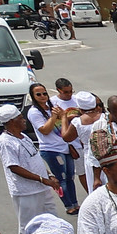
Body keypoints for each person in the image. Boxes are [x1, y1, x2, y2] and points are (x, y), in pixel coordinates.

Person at [0, 103, 65, 231]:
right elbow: (14, 167)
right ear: (11, 121)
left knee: (53, 221)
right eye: (20, 118)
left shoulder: (25, 137)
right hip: (27, 192)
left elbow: (35, 158)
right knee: (29, 226)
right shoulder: (5, 141)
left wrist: (49, 175)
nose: (24, 120)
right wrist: (42, 179)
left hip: (43, 188)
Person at [29, 80, 82, 213]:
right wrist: (54, 116)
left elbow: (64, 122)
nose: (42, 96)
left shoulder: (53, 106)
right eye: (38, 94)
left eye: (44, 93)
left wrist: (65, 116)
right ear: (33, 97)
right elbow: (45, 130)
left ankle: (75, 203)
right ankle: (69, 206)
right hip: (51, 149)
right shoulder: (34, 112)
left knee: (70, 177)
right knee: (61, 178)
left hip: (64, 146)